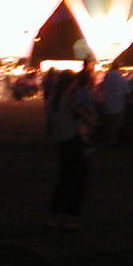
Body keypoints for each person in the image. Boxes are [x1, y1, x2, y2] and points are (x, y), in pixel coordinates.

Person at [47, 70, 97, 229]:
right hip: (73, 141)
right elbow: (85, 117)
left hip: (60, 141)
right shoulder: (69, 99)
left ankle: (54, 215)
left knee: (64, 179)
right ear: (71, 83)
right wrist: (92, 122)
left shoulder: (51, 99)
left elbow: (50, 124)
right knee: (80, 181)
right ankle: (70, 217)